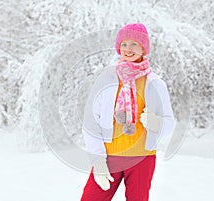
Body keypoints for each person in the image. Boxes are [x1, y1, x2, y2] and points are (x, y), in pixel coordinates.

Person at [80, 23, 175, 201]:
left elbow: (169, 122)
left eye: (134, 44)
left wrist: (156, 123)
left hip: (142, 158)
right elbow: (91, 120)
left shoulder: (155, 83)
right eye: (124, 44)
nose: (128, 49)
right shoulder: (107, 78)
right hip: (109, 157)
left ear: (143, 48)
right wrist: (98, 160)